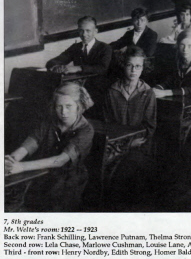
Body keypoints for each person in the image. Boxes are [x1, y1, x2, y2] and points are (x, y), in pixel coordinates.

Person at [5, 82, 94, 211]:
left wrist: (21, 167)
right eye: (59, 106)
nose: (63, 112)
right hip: (42, 172)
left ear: (78, 106)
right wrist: (11, 160)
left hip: (68, 181)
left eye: (69, 106)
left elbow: (60, 160)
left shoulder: (86, 130)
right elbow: (31, 143)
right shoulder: (49, 121)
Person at [104, 46, 157, 151]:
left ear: (142, 68)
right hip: (115, 143)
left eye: (138, 66)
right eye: (129, 65)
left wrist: (134, 141)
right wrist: (123, 143)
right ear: (123, 65)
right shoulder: (112, 91)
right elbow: (107, 121)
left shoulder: (147, 92)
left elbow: (150, 126)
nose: (133, 70)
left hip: (140, 144)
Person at [46, 16, 112, 75]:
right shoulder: (75, 47)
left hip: (96, 84)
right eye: (81, 31)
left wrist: (79, 68)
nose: (84, 34)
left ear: (95, 31)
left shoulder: (105, 48)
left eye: (88, 31)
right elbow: (54, 61)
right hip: (77, 82)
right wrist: (56, 66)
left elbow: (102, 68)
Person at [153, 29, 191, 97]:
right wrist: (156, 89)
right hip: (177, 99)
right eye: (182, 45)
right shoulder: (177, 61)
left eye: (190, 46)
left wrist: (165, 93)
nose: (185, 49)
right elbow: (168, 81)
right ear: (178, 45)